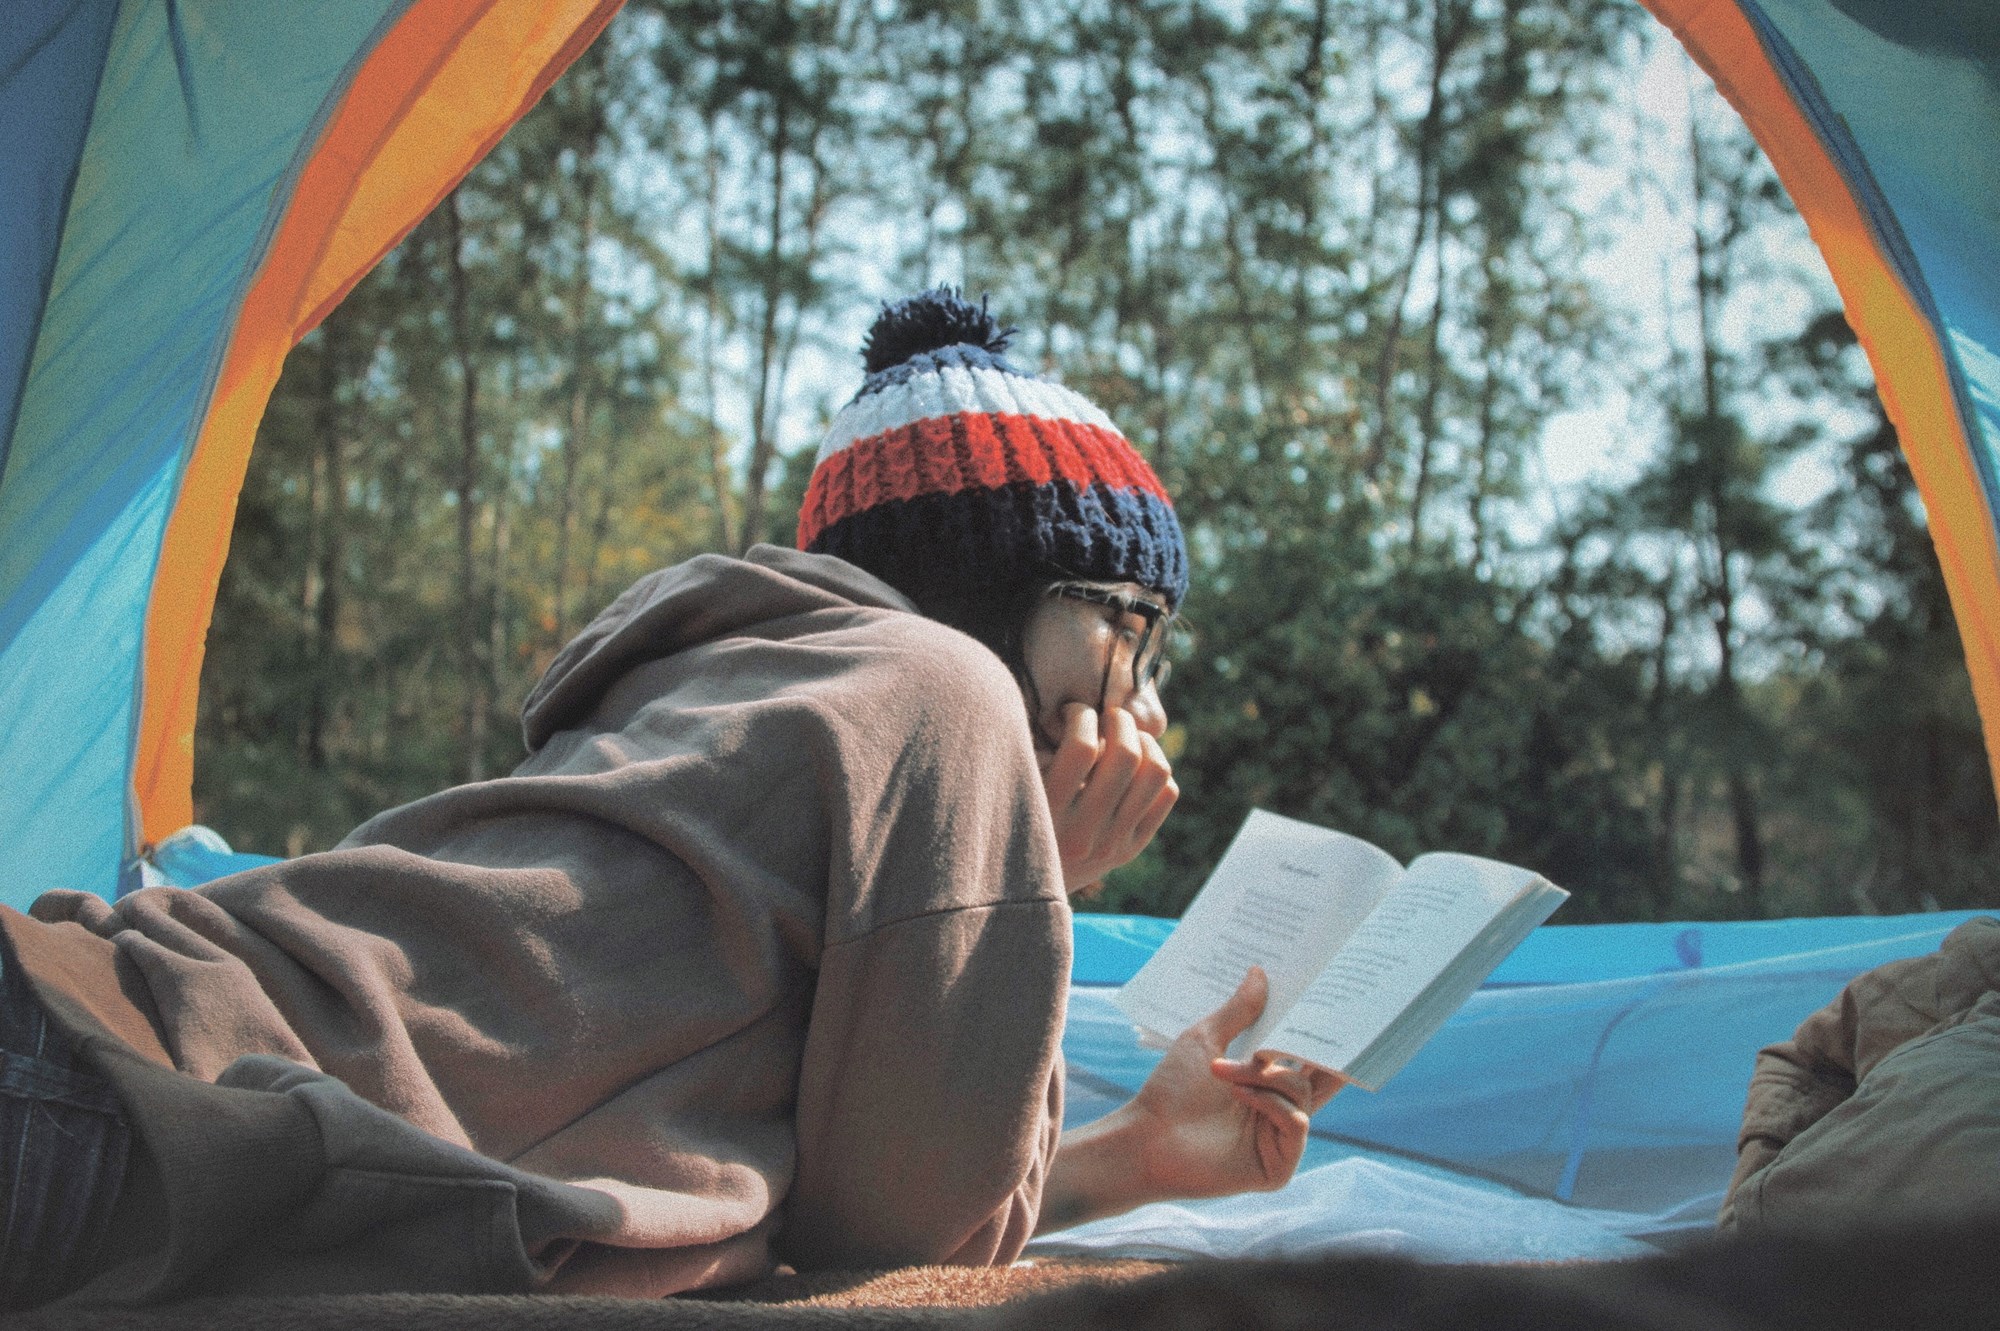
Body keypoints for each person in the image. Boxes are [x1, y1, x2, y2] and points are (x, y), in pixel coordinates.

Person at [0, 289, 1340, 1309]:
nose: (1153, 700)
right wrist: (1042, 874)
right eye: (1132, 628)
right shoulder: (944, 693)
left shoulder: (744, 688)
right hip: (116, 1105)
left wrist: (1134, 1154)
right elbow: (907, 1256)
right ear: (1001, 597)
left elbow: (819, 1175)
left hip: (83, 1047)